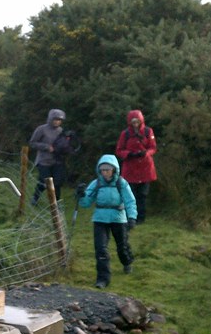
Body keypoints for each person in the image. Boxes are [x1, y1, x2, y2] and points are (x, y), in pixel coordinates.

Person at [79, 154, 137, 289]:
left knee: (122, 246)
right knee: (101, 249)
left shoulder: (121, 183)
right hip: (100, 219)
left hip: (118, 218)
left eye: (108, 169)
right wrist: (81, 195)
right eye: (102, 170)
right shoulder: (96, 183)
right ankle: (103, 279)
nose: (105, 173)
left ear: (114, 170)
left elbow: (130, 201)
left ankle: (127, 262)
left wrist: (132, 217)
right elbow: (86, 203)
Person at [115, 109, 157, 224]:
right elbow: (119, 150)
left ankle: (141, 218)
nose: (135, 124)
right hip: (130, 168)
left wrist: (146, 153)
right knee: (130, 193)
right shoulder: (125, 134)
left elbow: (153, 147)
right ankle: (130, 217)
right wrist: (129, 154)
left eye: (137, 121)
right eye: (133, 122)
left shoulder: (148, 131)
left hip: (145, 167)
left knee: (143, 194)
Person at [29, 108, 75, 205]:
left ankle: (56, 202)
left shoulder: (61, 131)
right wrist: (46, 147)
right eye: (55, 119)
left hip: (57, 161)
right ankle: (35, 198)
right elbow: (32, 143)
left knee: (57, 183)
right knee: (44, 181)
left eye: (59, 120)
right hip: (43, 161)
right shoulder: (41, 129)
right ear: (50, 119)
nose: (57, 122)